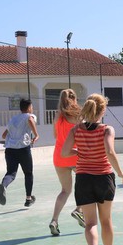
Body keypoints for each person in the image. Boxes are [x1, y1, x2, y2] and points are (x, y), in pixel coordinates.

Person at [62, 93, 123, 245]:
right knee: (106, 221)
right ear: (102, 110)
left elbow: (65, 152)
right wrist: (121, 173)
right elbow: (109, 151)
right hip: (103, 178)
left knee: (90, 223)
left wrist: (82, 150)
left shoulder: (76, 130)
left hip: (83, 178)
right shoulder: (107, 129)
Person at [49, 89, 85, 236]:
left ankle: (54, 220)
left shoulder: (57, 117)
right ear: (75, 98)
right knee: (85, 185)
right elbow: (83, 134)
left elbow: (56, 135)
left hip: (59, 156)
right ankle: (79, 210)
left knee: (65, 190)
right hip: (75, 154)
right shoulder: (79, 115)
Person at [0, 98, 39, 207]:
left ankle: (3, 185)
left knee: (11, 173)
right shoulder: (29, 116)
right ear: (29, 107)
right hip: (23, 149)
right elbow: (30, 120)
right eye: (32, 106)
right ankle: (28, 199)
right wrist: (36, 135)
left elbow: (3, 135)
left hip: (10, 150)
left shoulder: (13, 119)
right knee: (28, 173)